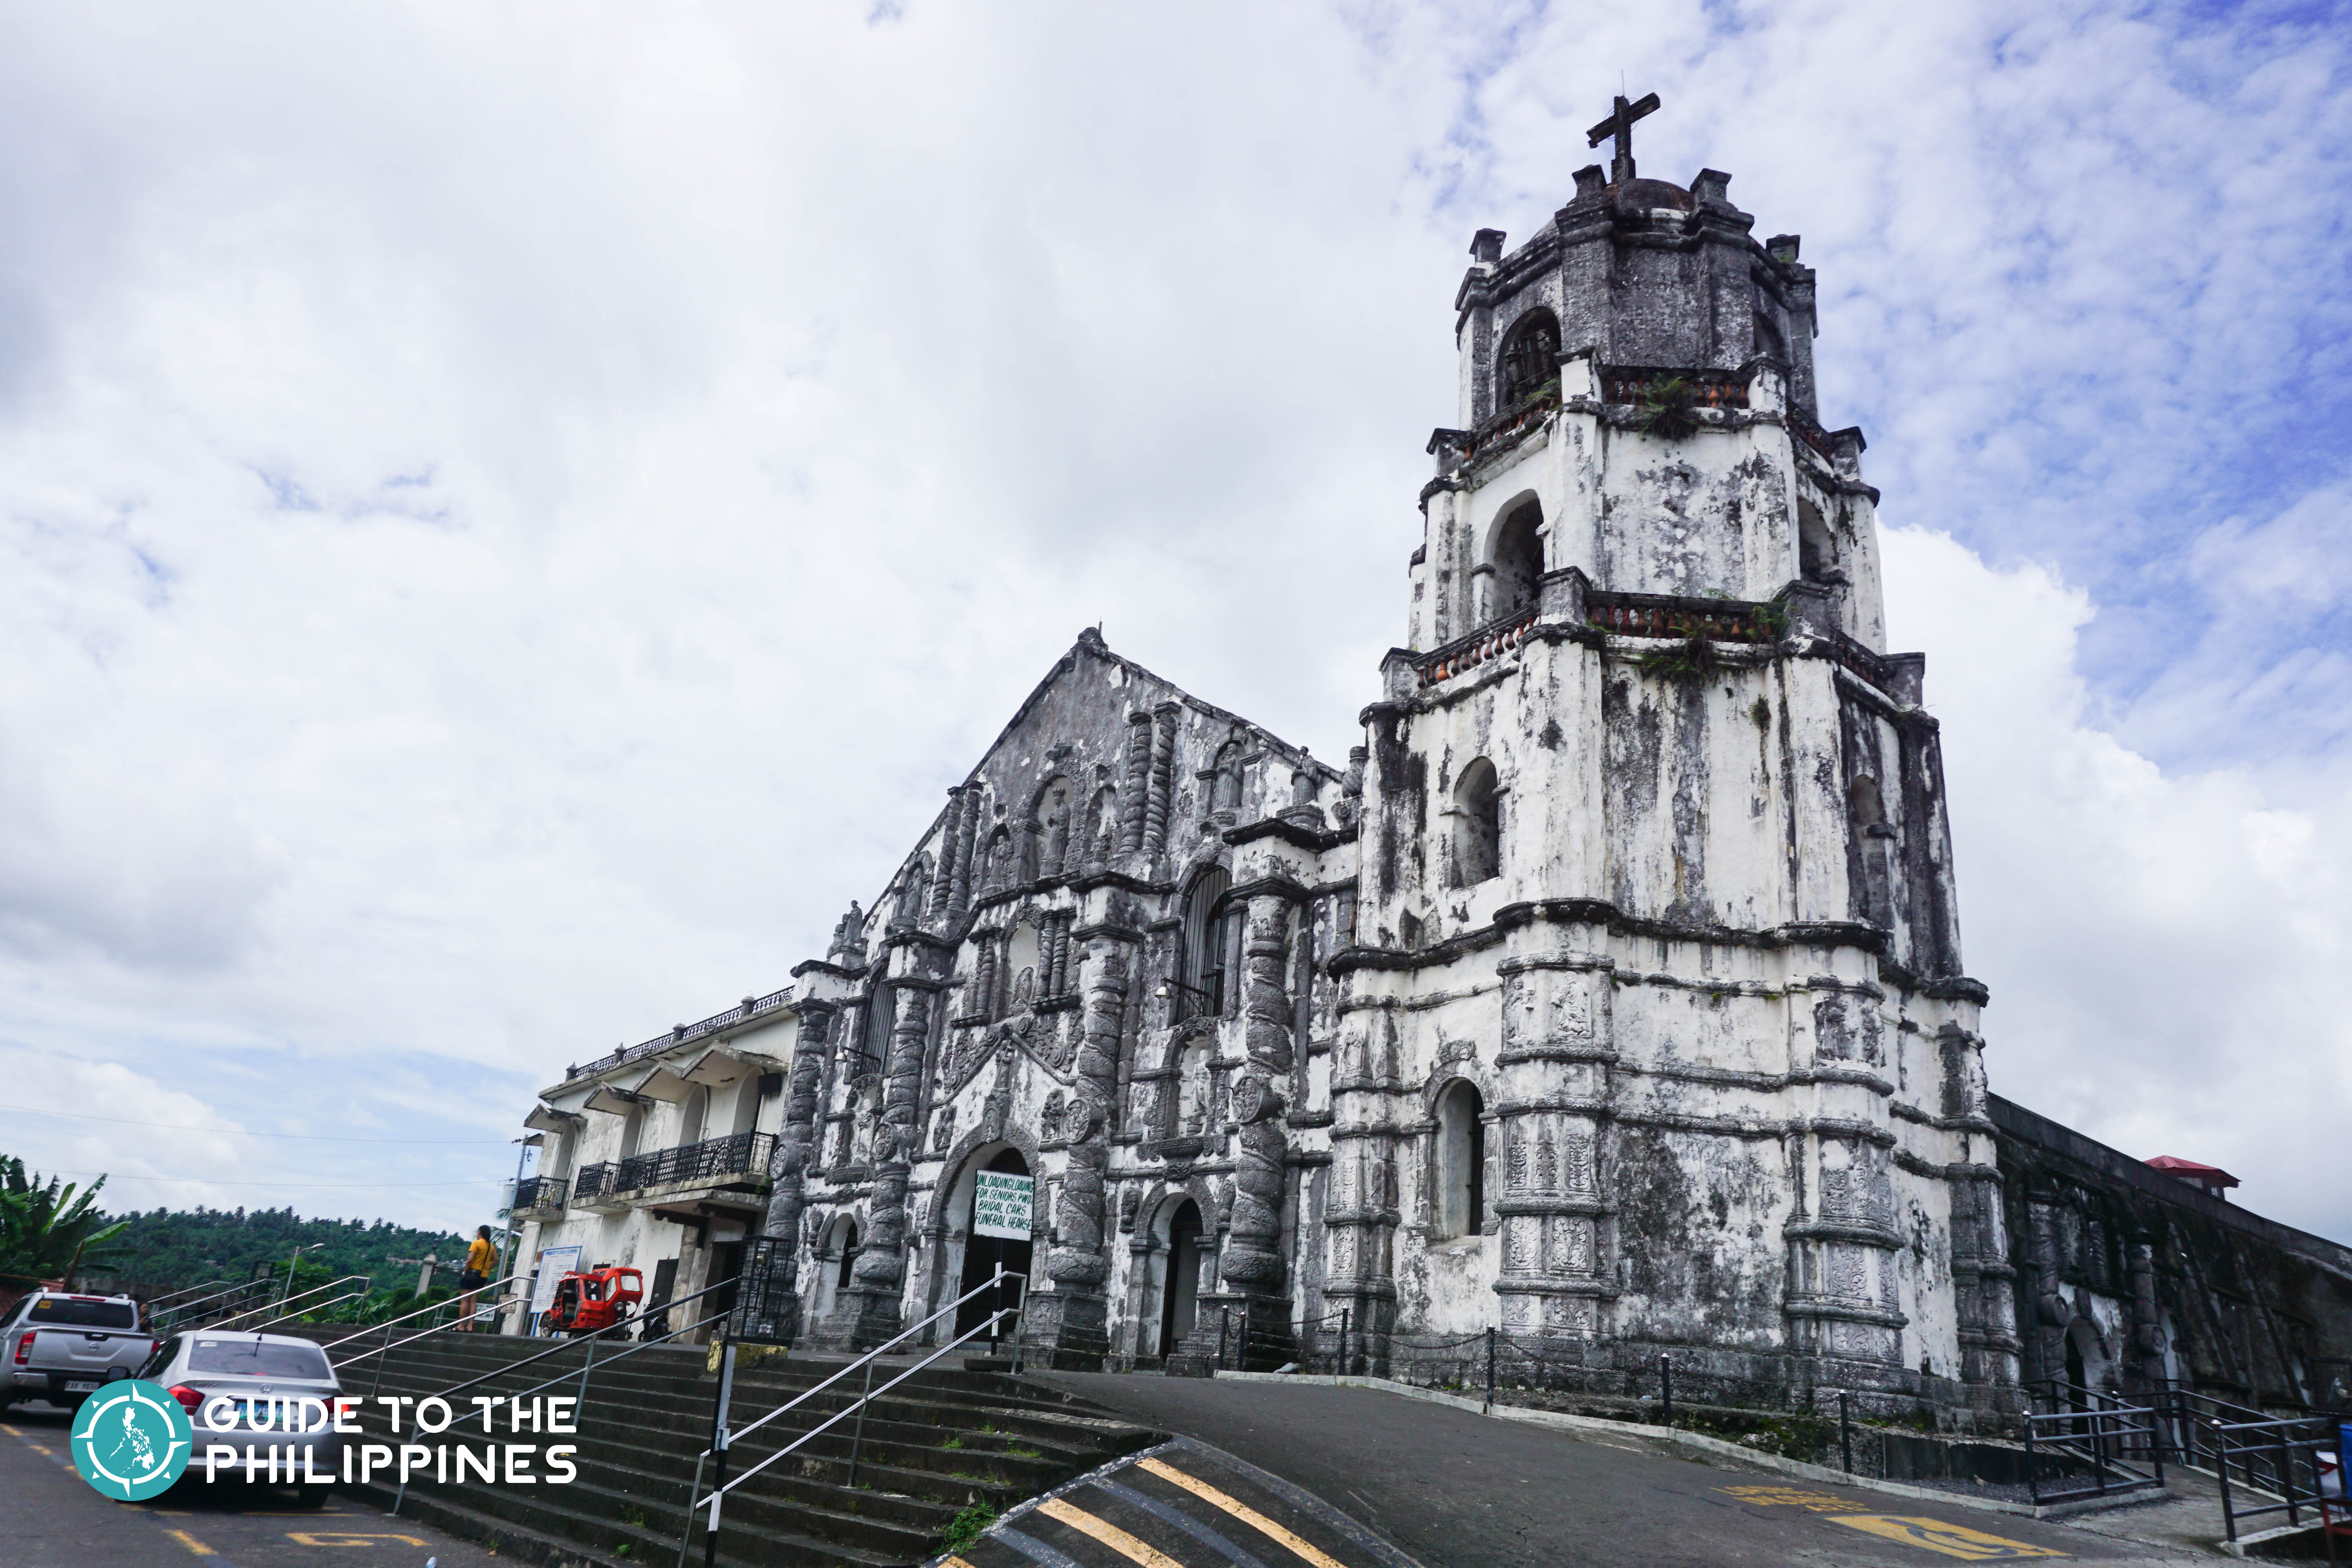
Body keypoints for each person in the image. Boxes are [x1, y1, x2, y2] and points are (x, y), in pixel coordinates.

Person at [457, 1225, 497, 1332]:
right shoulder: (491, 1246)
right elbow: (496, 1260)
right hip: (483, 1277)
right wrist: (486, 1269)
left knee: (465, 1300)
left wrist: (466, 1271)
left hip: (472, 1275)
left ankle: (461, 1325)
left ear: (479, 1232)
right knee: (474, 1301)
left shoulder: (476, 1244)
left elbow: (470, 1260)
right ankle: (470, 1326)